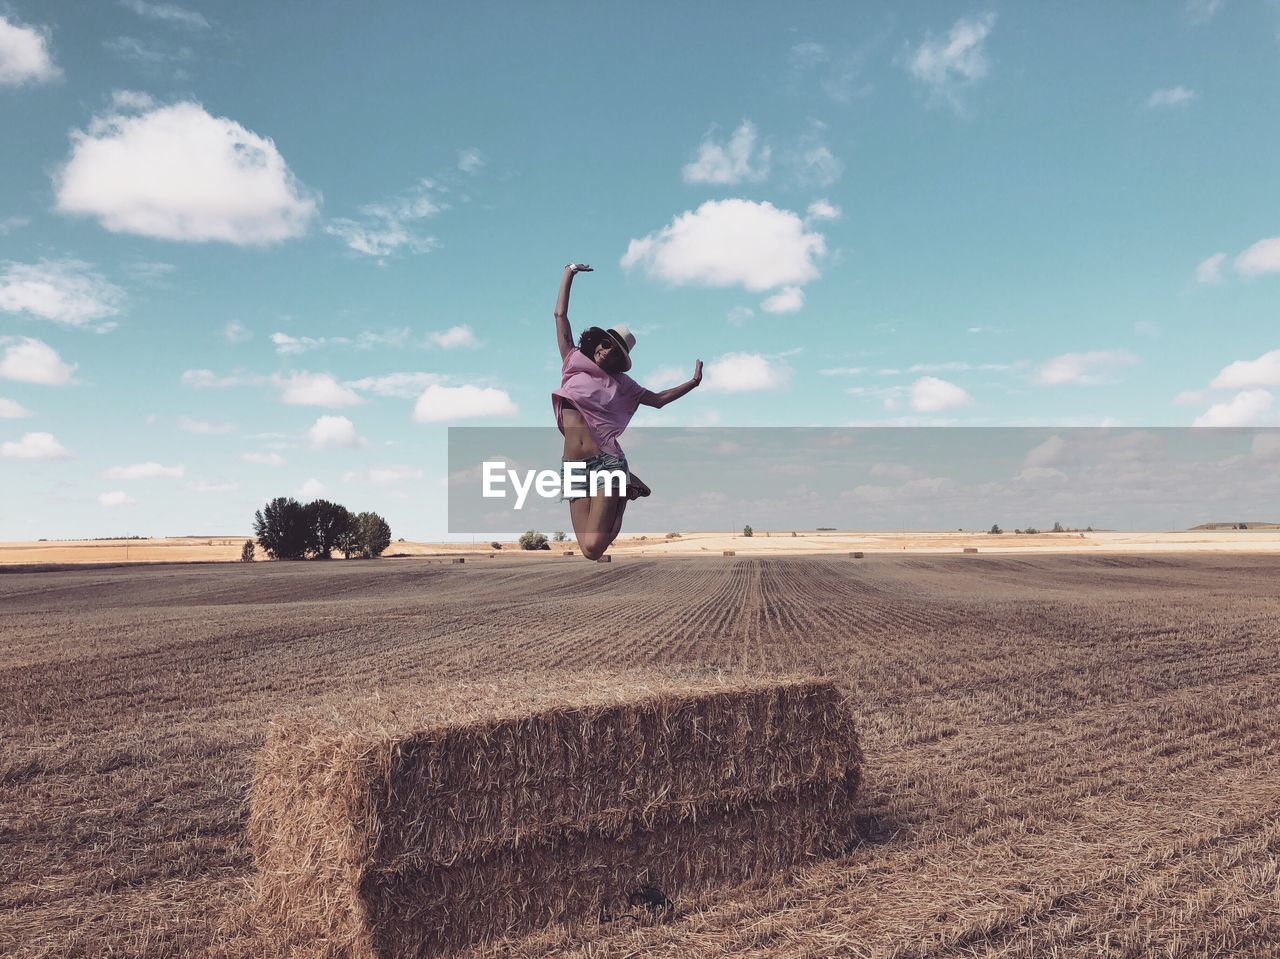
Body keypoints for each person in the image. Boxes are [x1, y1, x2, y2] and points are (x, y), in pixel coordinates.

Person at [552, 262, 702, 560]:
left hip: (607, 462)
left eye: (614, 351)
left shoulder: (624, 385)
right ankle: (628, 484)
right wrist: (569, 272)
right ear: (598, 343)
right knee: (588, 551)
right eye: (606, 344)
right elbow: (560, 315)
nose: (606, 350)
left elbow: (658, 399)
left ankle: (624, 486)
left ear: (619, 360)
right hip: (573, 466)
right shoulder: (572, 360)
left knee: (597, 546)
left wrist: (693, 382)